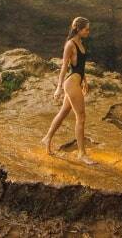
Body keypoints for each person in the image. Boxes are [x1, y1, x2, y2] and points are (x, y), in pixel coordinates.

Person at [41, 16, 95, 165]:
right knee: (81, 117)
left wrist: (85, 80)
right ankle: (82, 154)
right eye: (86, 29)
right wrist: (58, 87)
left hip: (77, 81)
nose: (88, 32)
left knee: (63, 112)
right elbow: (65, 66)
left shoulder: (81, 42)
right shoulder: (70, 44)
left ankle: (47, 138)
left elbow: (81, 65)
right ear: (78, 29)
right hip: (71, 83)